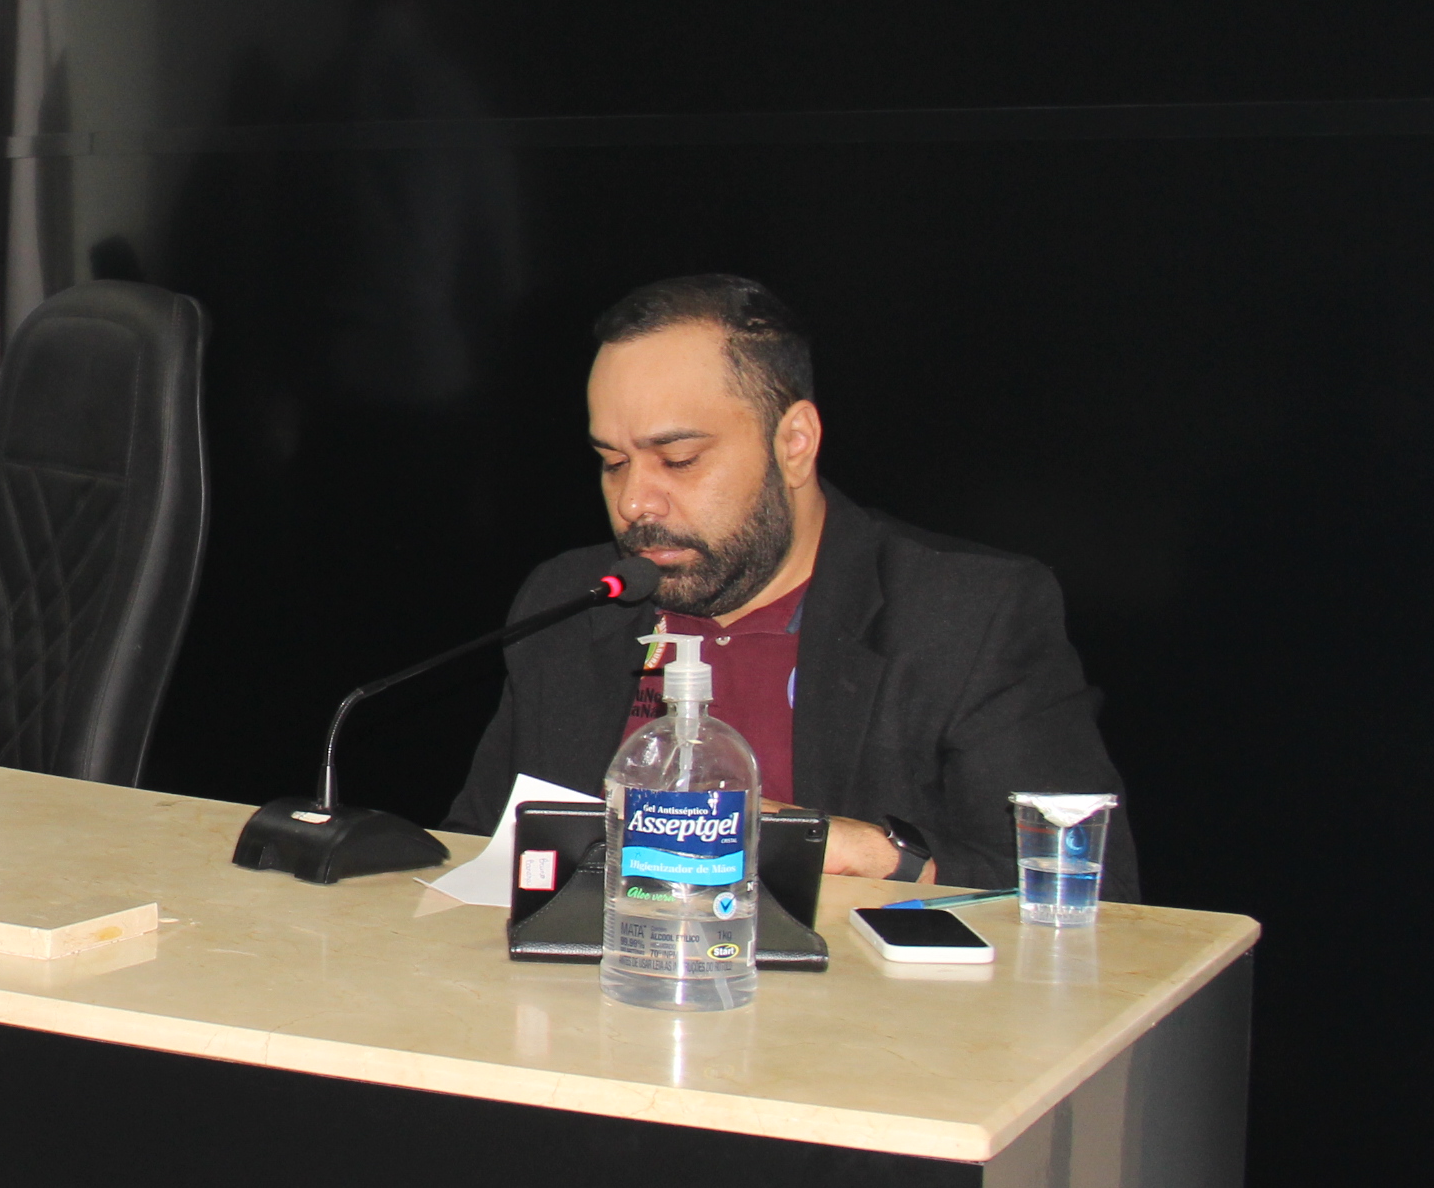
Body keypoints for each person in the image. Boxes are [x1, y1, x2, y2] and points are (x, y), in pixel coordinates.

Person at [445, 274, 1136, 893]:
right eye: (612, 462)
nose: (634, 502)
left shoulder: (965, 613)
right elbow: (472, 854)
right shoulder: (571, 601)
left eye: (678, 459)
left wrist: (877, 857)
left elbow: (1098, 897)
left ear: (794, 443)